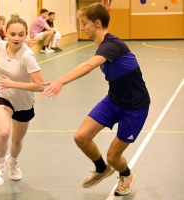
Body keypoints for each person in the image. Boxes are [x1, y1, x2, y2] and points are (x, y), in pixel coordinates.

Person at [43, 2, 150, 196]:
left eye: (85, 23)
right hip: (113, 101)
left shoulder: (112, 45)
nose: (82, 27)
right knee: (81, 137)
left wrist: (60, 81)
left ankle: (126, 175)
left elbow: (88, 65)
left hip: (135, 108)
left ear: (97, 23)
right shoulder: (104, 46)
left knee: (113, 157)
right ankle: (101, 169)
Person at [0, 17, 44, 186]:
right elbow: (2, 63)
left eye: (21, 34)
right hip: (3, 94)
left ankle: (14, 163)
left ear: (25, 34)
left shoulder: (27, 57)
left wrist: (13, 83)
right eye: (12, 34)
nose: (16, 38)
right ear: (7, 34)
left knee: (17, 141)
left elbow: (40, 86)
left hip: (24, 101)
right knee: (4, 133)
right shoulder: (1, 46)